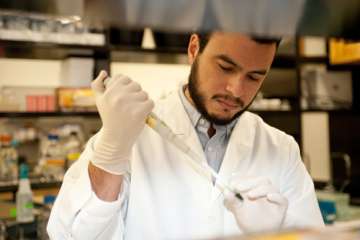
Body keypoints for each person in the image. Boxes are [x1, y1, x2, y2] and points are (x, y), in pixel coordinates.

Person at [47, 32, 324, 239]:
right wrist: (110, 152)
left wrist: (274, 234)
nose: (236, 90)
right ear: (194, 49)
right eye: (225, 67)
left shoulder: (281, 149)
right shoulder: (127, 137)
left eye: (254, 77)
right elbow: (69, 236)